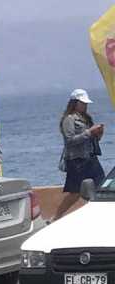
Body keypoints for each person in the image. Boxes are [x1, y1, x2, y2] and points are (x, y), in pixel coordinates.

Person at [55, 89, 106, 220]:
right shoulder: (69, 119)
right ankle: (57, 217)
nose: (85, 105)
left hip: (91, 158)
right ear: (75, 103)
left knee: (101, 186)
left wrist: (98, 134)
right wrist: (90, 132)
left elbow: (90, 139)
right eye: (83, 103)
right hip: (77, 161)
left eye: (86, 103)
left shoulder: (86, 118)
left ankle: (98, 215)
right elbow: (70, 140)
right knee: (75, 193)